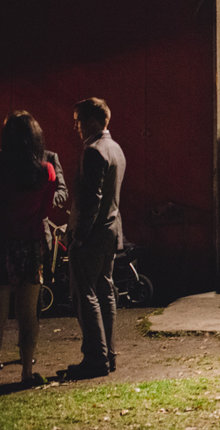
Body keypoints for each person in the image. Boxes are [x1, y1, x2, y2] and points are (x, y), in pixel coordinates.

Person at [63, 97, 126, 380]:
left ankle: (95, 357)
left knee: (84, 293)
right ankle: (109, 354)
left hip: (92, 233)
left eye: (78, 121)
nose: (75, 126)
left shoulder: (93, 151)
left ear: (91, 120)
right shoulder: (116, 148)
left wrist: (78, 236)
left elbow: (91, 200)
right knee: (105, 290)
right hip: (111, 230)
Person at [0, 112, 60, 386]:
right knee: (28, 313)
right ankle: (26, 370)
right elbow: (44, 211)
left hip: (2, 243)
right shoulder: (45, 171)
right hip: (29, 243)